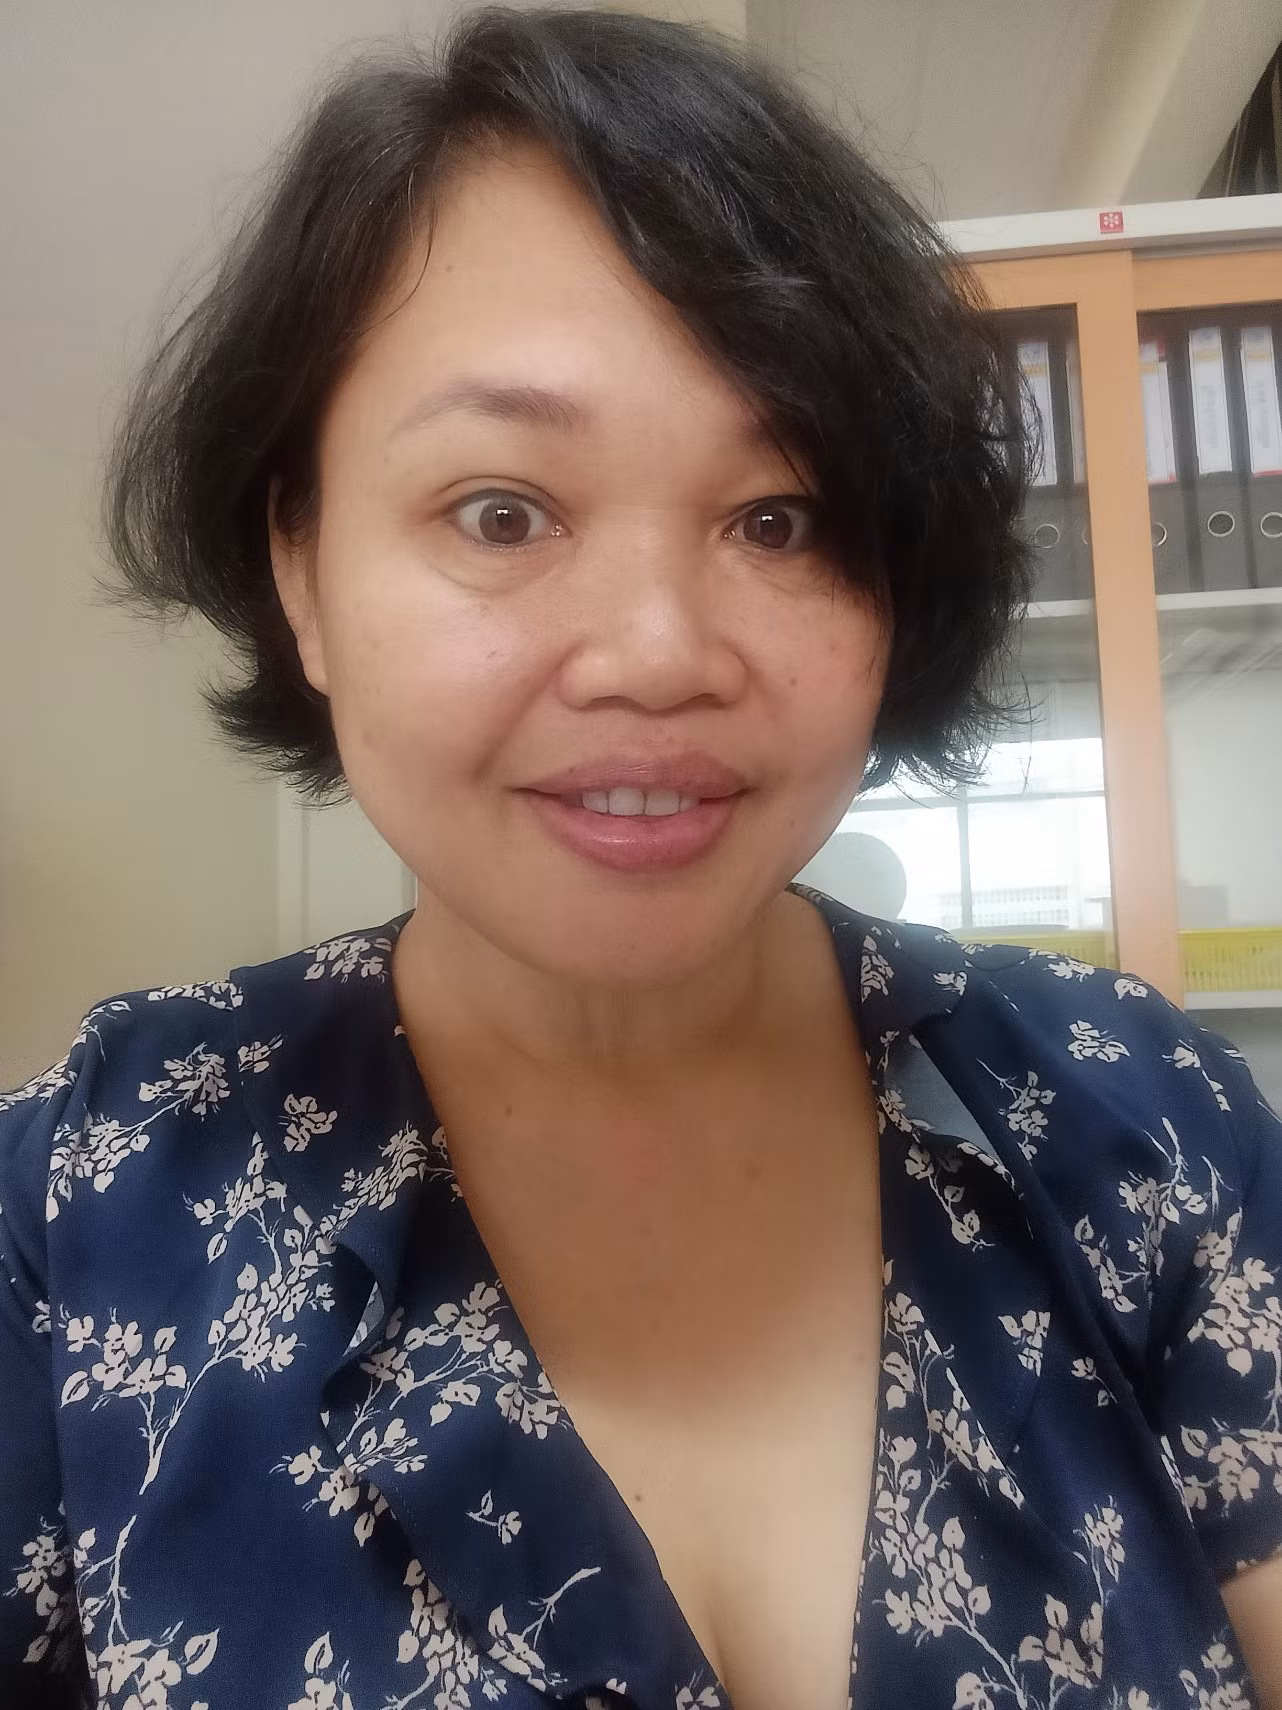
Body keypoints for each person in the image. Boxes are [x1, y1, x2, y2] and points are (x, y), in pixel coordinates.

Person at [2, 7, 1279, 1707]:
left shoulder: (1139, 1117)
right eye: (502, 512)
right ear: (299, 569)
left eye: (780, 518)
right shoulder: (86, 1198)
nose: (660, 653)